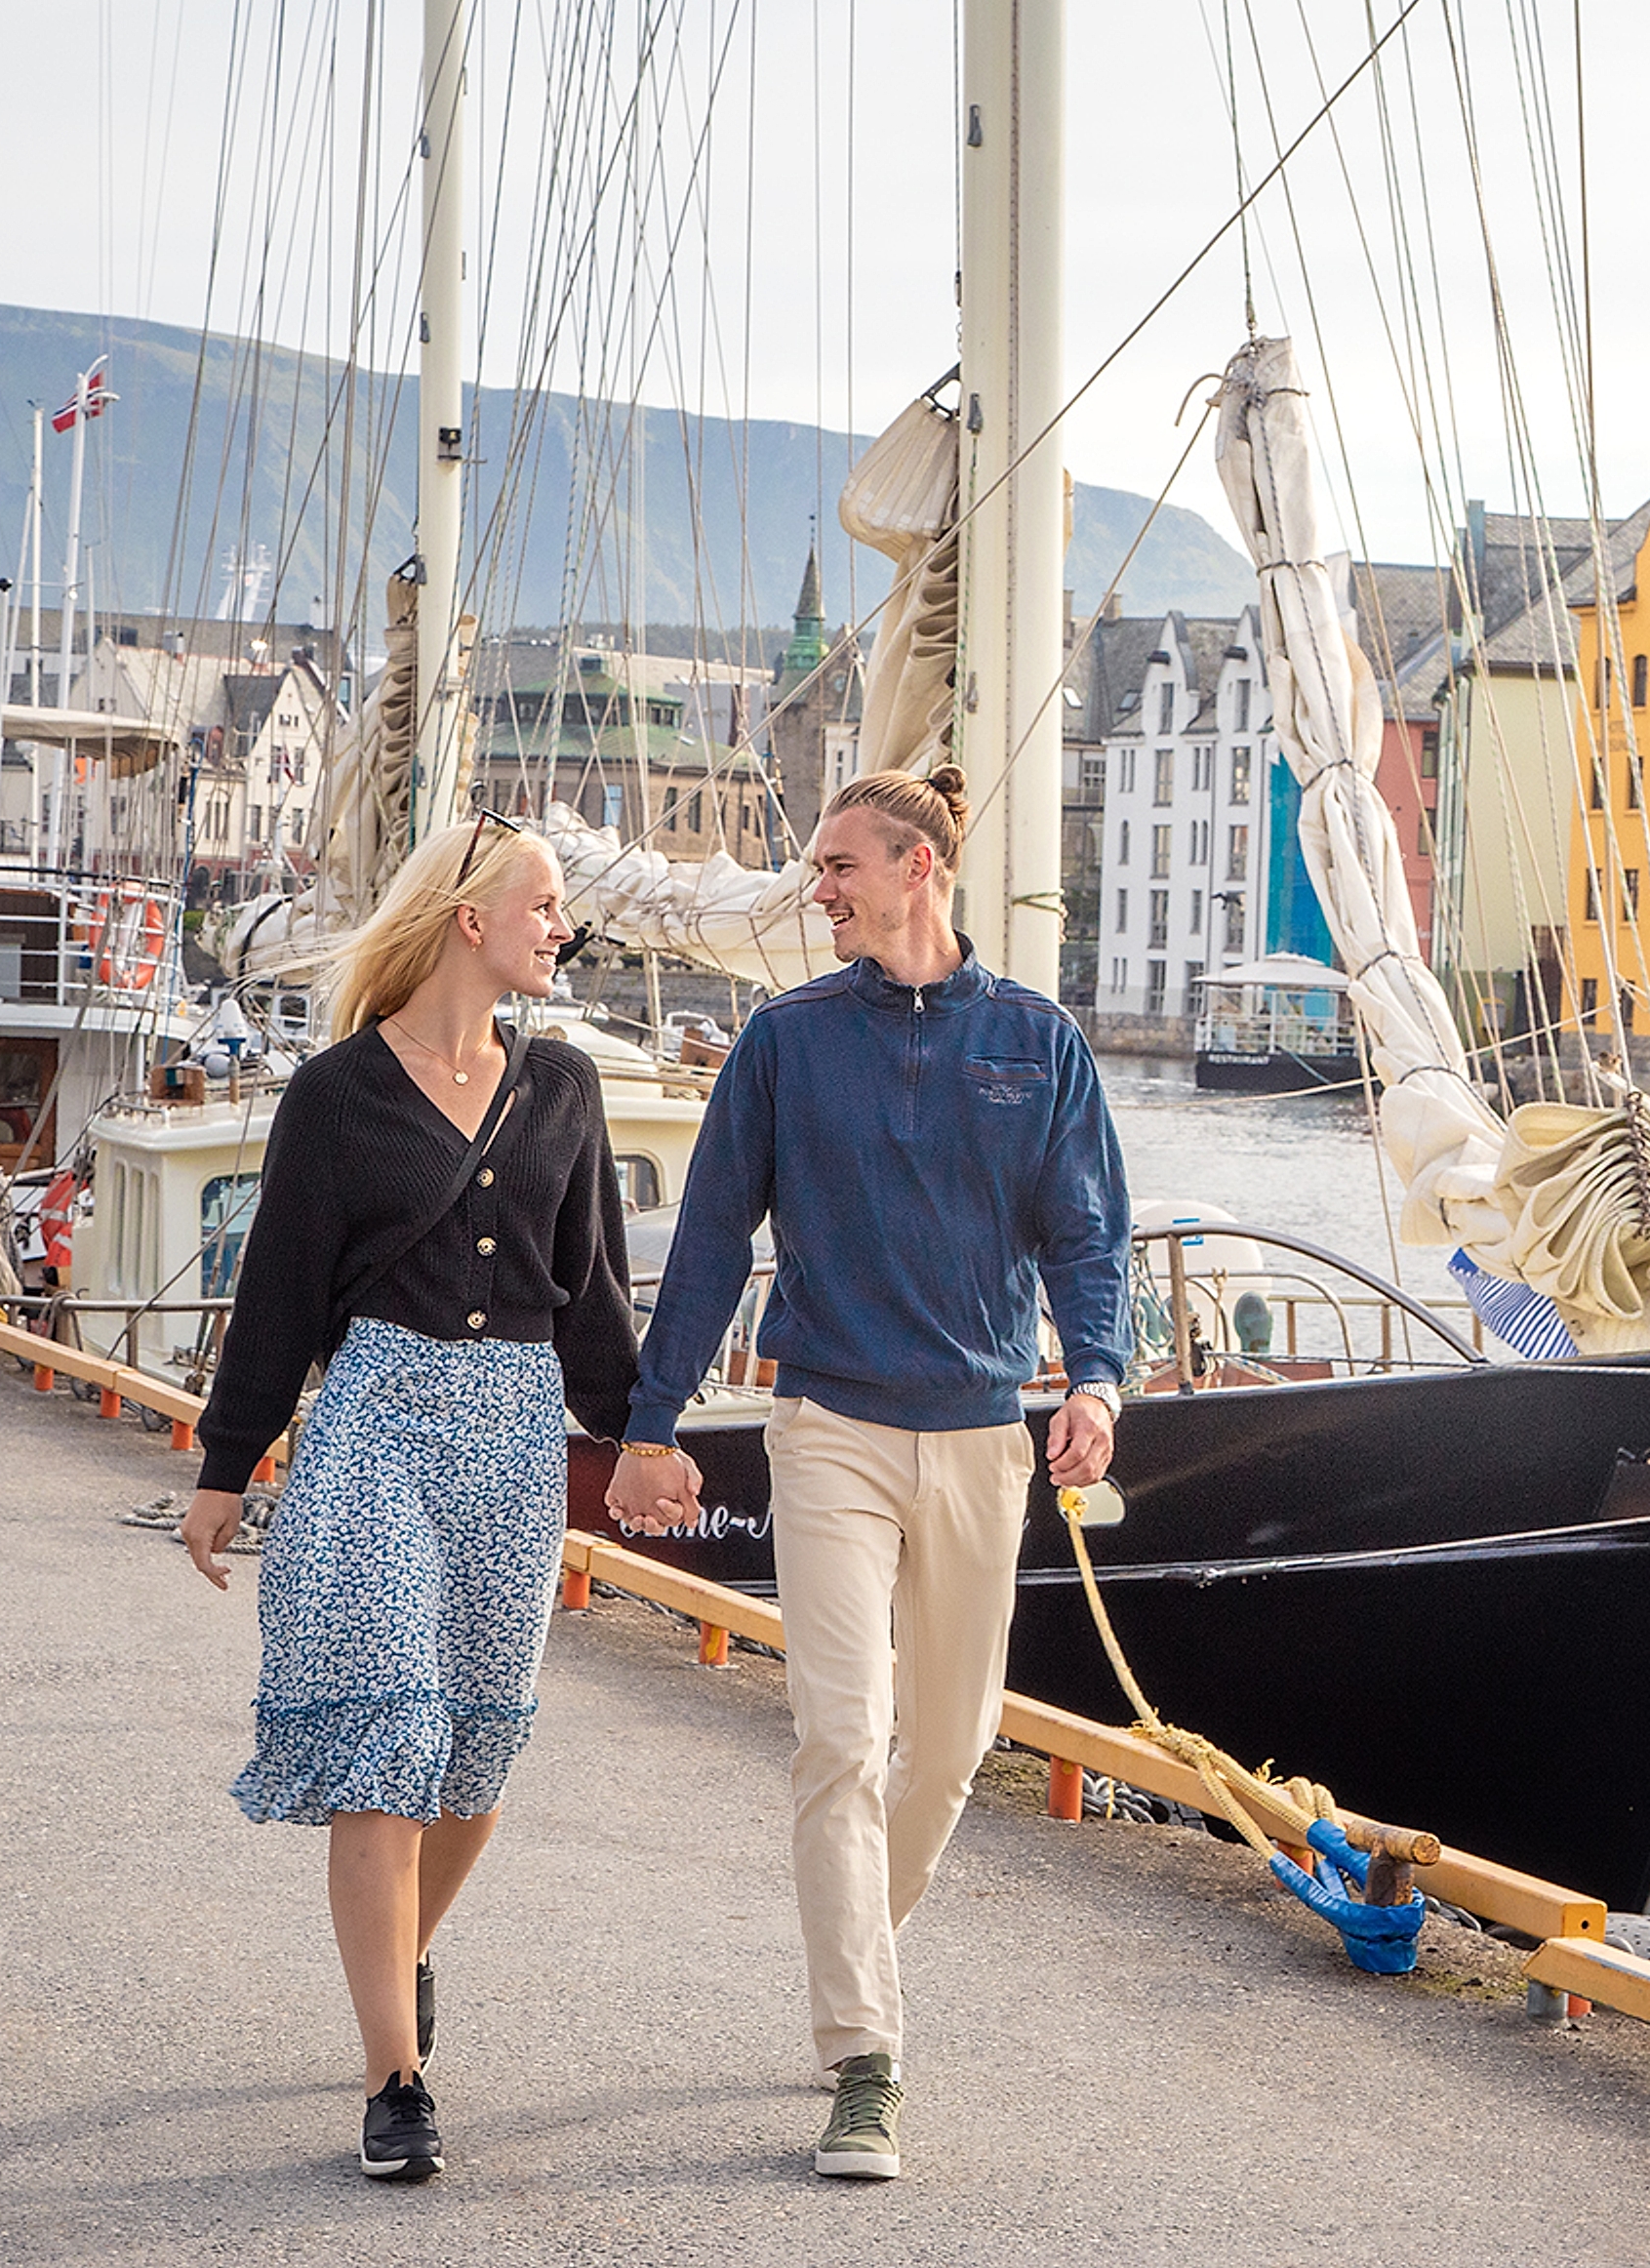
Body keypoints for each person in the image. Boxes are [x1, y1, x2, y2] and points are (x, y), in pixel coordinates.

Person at [615, 764, 1131, 2184]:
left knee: (953, 1746)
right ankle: (865, 2057)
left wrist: (1097, 1379)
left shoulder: (1035, 1041)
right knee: (842, 1738)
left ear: (918, 868)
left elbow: (1089, 1235)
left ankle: (857, 1956)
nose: (819, 887)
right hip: (829, 1425)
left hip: (980, 1433)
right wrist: (654, 1420)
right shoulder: (786, 1042)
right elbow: (709, 1239)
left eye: (840, 865)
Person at [174, 811, 662, 2184]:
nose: (563, 926)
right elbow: (278, 1292)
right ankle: (394, 2077)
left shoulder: (563, 1085)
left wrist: (643, 1436)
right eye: (545, 903)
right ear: (470, 917)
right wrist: (226, 1467)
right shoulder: (336, 1093)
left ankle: (406, 1955)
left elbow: (592, 1295)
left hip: (515, 1433)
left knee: (476, 1753)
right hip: (376, 1422)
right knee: (388, 1736)